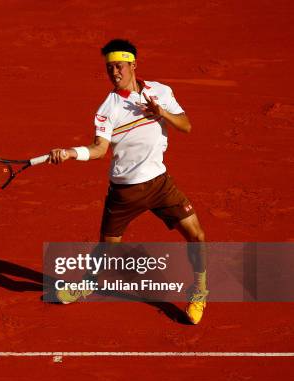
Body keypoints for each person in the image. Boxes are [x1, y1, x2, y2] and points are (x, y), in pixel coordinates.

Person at [47, 39, 208, 324]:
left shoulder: (160, 91)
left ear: (133, 65)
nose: (114, 72)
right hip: (124, 192)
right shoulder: (107, 108)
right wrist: (71, 152)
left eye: (118, 66)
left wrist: (162, 113)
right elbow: (99, 149)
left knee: (197, 236)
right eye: (109, 68)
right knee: (107, 248)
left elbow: (186, 126)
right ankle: (89, 282)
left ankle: (200, 290)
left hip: (160, 184)